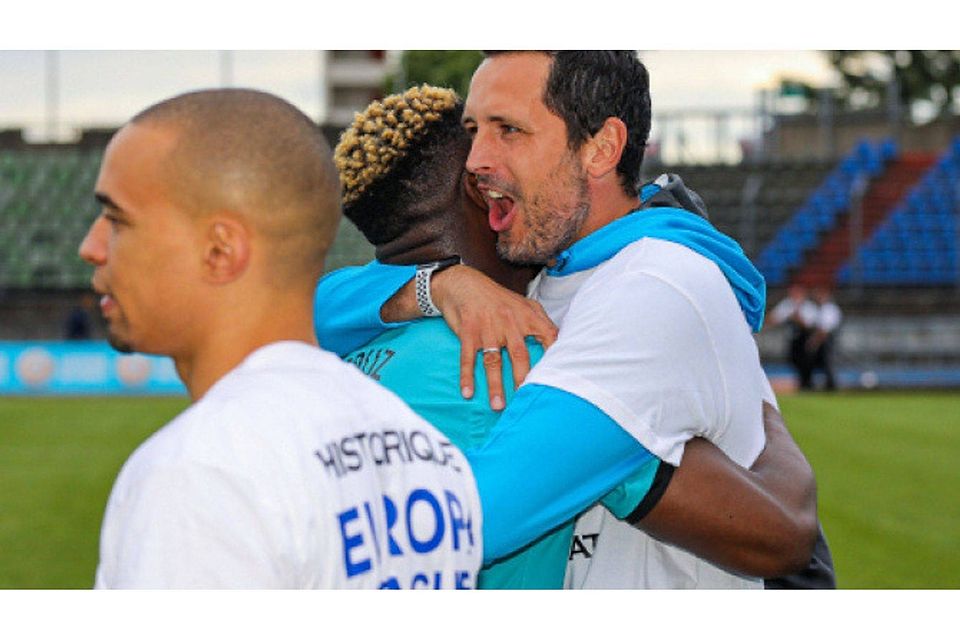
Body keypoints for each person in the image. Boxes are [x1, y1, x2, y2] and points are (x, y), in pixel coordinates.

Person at [317, 57, 825, 589]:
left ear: (601, 148)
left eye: (508, 129)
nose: (475, 159)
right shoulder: (534, 272)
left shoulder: (651, 285)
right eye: (473, 130)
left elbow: (476, 517)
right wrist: (442, 285)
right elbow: (312, 304)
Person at [80, 88, 482, 589]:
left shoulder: (201, 474)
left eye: (117, 220)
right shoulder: (429, 453)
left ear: (220, 251)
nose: (91, 247)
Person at [767, 285, 818, 389]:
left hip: (805, 338)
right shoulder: (787, 304)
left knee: (806, 361)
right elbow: (774, 318)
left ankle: (807, 383)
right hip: (792, 338)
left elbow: (810, 325)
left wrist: (797, 318)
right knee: (793, 359)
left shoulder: (809, 307)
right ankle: (803, 382)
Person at [808, 286, 842, 391]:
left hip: (827, 341)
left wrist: (814, 341)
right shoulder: (816, 309)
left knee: (828, 363)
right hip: (820, 339)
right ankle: (811, 384)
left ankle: (832, 386)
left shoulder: (830, 309)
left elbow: (825, 330)